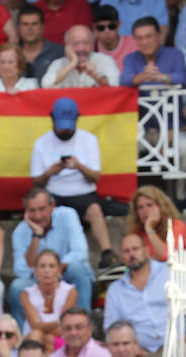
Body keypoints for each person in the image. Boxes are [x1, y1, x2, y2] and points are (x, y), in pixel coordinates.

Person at [29, 96, 116, 266]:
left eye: (68, 127)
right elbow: (36, 182)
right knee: (43, 210)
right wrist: (50, 173)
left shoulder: (89, 140)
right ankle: (48, 259)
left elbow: (95, 177)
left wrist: (79, 166)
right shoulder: (41, 143)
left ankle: (107, 253)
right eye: (62, 128)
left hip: (83, 192)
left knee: (95, 210)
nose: (65, 131)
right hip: (54, 192)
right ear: (52, 120)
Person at [10, 187, 94, 322]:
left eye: (42, 209)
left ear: (52, 206)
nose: (37, 216)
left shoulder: (67, 215)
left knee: (77, 268)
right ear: (26, 211)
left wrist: (56, 269)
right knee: (16, 287)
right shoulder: (20, 232)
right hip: (40, 280)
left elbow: (81, 251)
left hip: (66, 274)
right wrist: (36, 235)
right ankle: (23, 339)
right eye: (32, 210)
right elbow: (21, 270)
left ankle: (83, 324)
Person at [102, 233, 169, 357]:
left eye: (135, 249)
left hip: (176, 345)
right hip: (138, 353)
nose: (131, 254)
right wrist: (132, 348)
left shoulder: (168, 272)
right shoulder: (115, 290)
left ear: (146, 251)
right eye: (126, 251)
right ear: (121, 257)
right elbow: (111, 327)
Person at [20, 248, 77, 350]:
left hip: (59, 340)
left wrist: (43, 330)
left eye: (51, 266)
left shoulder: (70, 292)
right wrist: (56, 323)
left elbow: (64, 326)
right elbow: (34, 325)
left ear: (59, 270)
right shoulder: (26, 294)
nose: (47, 270)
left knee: (39, 335)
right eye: (42, 266)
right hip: (33, 338)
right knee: (35, 335)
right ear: (36, 271)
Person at [125, 184, 186, 263]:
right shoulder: (136, 231)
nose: (145, 210)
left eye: (149, 205)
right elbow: (133, 260)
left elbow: (167, 256)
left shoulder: (177, 225)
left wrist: (149, 229)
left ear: (161, 206)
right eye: (140, 207)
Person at [41, 22, 119, 85]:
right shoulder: (58, 63)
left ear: (92, 43)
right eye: (75, 43)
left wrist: (95, 75)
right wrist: (72, 63)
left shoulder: (105, 60)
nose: (81, 48)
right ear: (67, 45)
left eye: (86, 43)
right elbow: (46, 85)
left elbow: (115, 86)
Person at [16, 3, 65, 82]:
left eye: (34, 24)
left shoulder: (59, 52)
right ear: (18, 28)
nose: (30, 28)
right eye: (25, 24)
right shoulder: (11, 53)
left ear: (42, 27)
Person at [91, 5, 137, 72]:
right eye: (101, 28)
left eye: (111, 26)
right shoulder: (89, 47)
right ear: (94, 28)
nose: (106, 31)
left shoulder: (134, 43)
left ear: (119, 24)